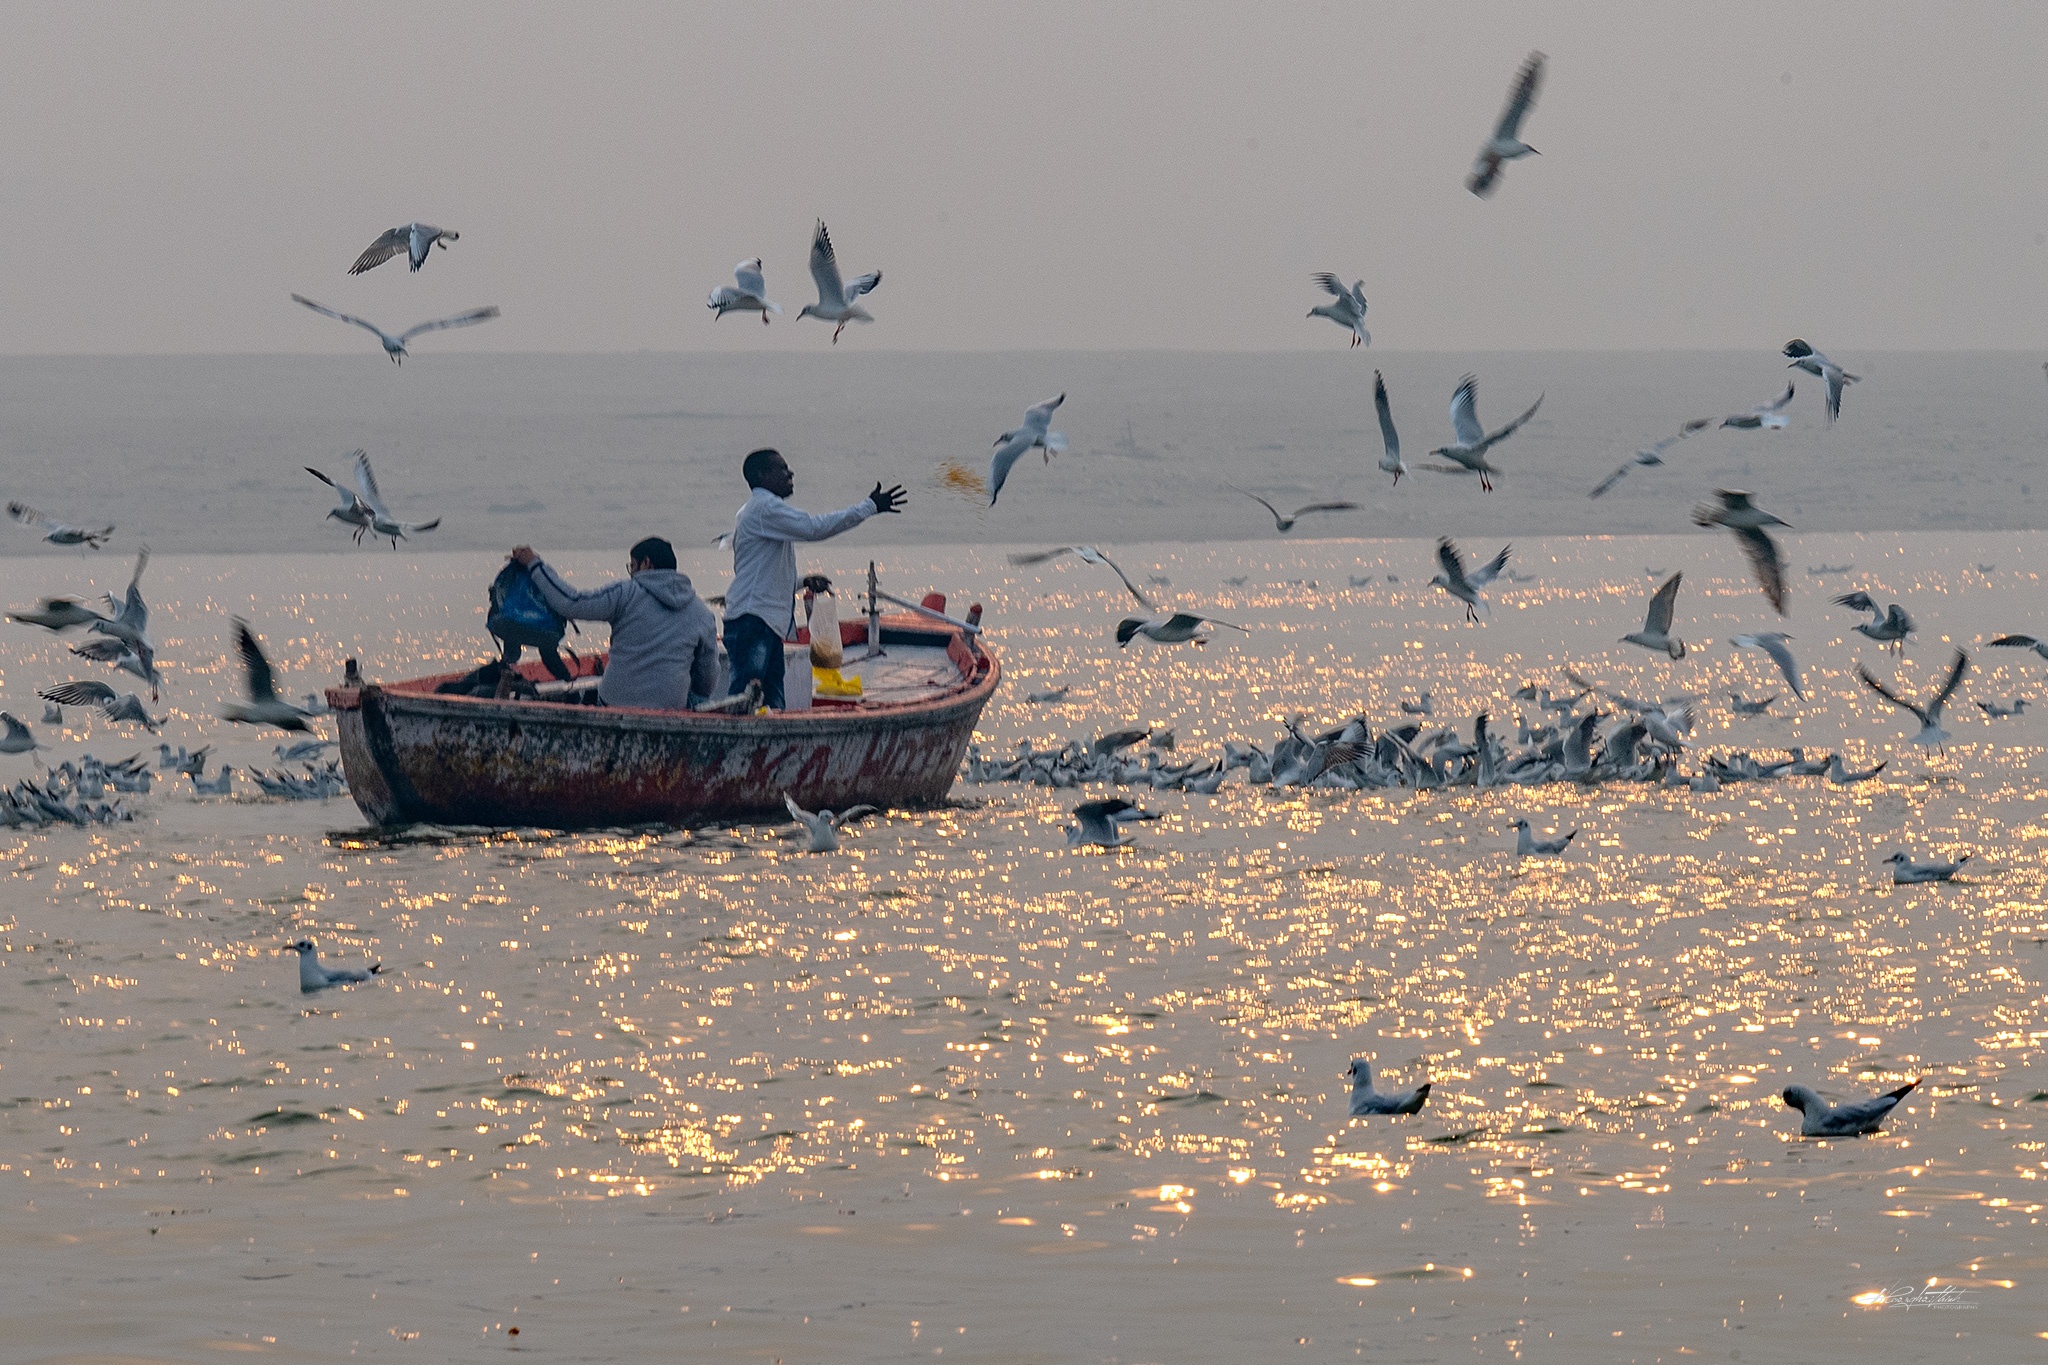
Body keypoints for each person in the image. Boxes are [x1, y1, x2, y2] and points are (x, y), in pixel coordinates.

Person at [723, 448, 904, 708]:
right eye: (782, 469)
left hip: (760, 622)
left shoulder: (756, 512)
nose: (790, 473)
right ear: (763, 475)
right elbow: (813, 528)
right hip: (753, 622)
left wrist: (802, 582)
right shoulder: (765, 507)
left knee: (772, 704)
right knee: (745, 700)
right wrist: (869, 507)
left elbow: (757, 573)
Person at [509, 537, 719, 710]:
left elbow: (572, 603)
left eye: (633, 566)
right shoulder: (701, 614)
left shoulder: (626, 593)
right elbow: (707, 681)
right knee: (701, 701)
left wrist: (534, 564)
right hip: (671, 709)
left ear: (646, 563)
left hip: (615, 703)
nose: (632, 573)